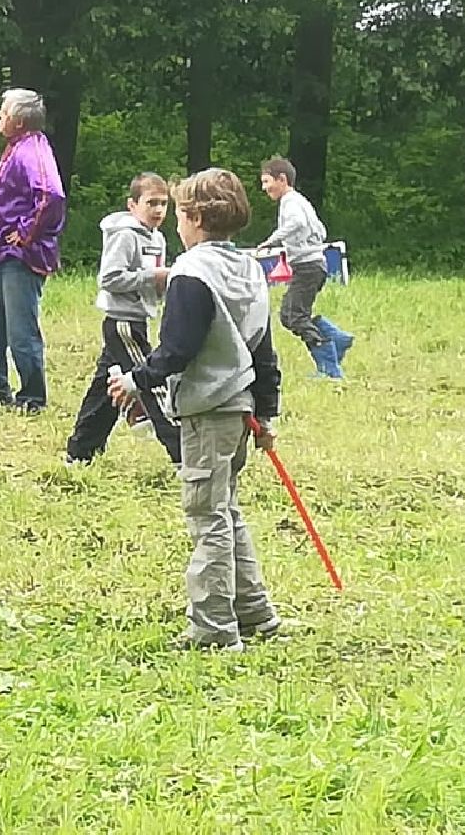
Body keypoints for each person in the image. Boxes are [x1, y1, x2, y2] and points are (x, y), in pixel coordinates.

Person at [107, 168, 282, 651]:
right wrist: (267, 412)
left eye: (180, 213)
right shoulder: (251, 269)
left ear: (196, 218)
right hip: (242, 409)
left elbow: (177, 347)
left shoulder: (191, 272)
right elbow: (265, 349)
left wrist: (134, 379)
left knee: (208, 517)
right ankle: (255, 613)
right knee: (227, 510)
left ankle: (213, 630)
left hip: (208, 411)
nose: (176, 224)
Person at [66, 173, 183, 466]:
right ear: (132, 205)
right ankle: (181, 453)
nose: (157, 210)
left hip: (140, 318)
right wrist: (151, 277)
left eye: (163, 204)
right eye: (150, 203)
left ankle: (81, 451)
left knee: (105, 388)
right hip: (122, 321)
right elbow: (109, 277)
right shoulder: (125, 234)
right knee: (153, 382)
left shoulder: (157, 238)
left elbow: (153, 284)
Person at [0, 88, 65, 412]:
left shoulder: (33, 151)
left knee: (20, 328)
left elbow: (51, 196)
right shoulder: (19, 148)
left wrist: (25, 234)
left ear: (20, 119)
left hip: (21, 257)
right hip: (3, 253)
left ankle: (32, 397)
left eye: (3, 111)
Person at [257, 156, 352, 379]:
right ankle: (337, 338)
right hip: (315, 264)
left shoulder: (290, 202)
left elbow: (296, 223)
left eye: (266, 181)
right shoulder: (301, 200)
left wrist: (272, 241)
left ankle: (329, 365)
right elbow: (320, 229)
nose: (264, 188)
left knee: (293, 316)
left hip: (307, 266)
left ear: (282, 179)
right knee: (292, 314)